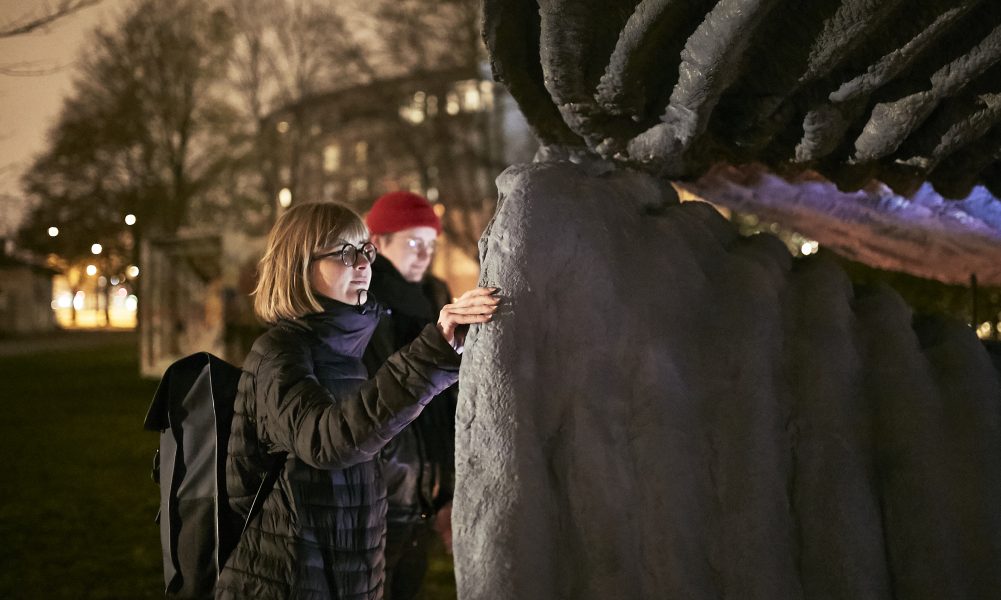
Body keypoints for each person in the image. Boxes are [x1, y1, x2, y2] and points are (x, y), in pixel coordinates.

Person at [214, 202, 498, 600]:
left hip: (348, 578)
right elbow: (330, 440)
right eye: (344, 253)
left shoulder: (346, 353)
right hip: (283, 581)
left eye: (366, 250)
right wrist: (431, 352)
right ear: (298, 265)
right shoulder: (278, 353)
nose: (363, 263)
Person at [362, 191, 455, 600]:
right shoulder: (364, 297)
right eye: (414, 241)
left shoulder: (434, 295)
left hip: (422, 488)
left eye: (431, 244)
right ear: (378, 241)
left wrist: (445, 486)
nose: (424, 254)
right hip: (382, 489)